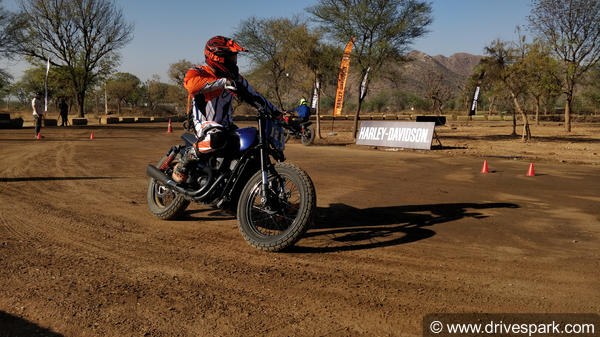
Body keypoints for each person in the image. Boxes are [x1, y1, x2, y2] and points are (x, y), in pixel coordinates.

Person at [172, 35, 282, 184]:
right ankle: (185, 161)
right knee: (217, 137)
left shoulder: (235, 79)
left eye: (234, 58)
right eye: (230, 58)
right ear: (217, 58)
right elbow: (191, 86)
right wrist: (223, 82)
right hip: (204, 124)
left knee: (253, 141)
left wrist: (279, 114)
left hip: (226, 125)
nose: (234, 62)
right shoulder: (198, 71)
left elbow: (255, 96)